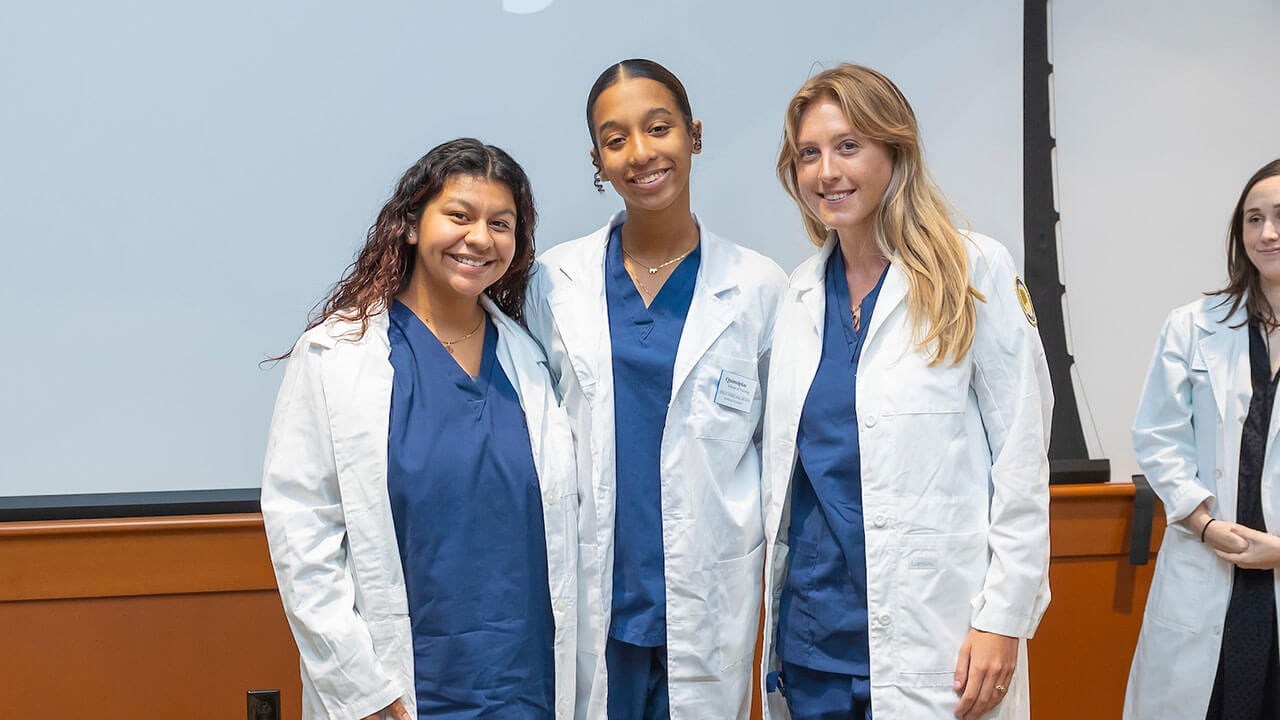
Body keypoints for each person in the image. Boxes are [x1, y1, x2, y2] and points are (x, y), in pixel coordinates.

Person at [759, 64, 1053, 720]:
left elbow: (1022, 460)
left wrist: (1004, 619)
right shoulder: (799, 297)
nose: (826, 171)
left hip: (940, 641)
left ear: (896, 150)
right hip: (815, 647)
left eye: (848, 146)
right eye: (808, 154)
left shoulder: (974, 271)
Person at [260, 138, 577, 719]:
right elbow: (303, 540)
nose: (479, 238)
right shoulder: (336, 357)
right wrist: (363, 693)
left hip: (527, 686)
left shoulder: (532, 362)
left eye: (500, 223)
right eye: (459, 215)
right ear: (410, 224)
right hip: (400, 694)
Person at [524, 58, 787, 719]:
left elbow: (780, 456)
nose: (641, 154)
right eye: (616, 140)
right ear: (597, 159)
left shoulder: (758, 287)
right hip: (597, 597)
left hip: (706, 594)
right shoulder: (554, 282)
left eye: (659, 128)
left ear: (694, 135)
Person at [1125, 159, 1280, 720]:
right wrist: (1205, 524)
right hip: (1213, 565)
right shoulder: (1194, 326)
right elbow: (1159, 438)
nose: (1266, 233)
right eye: (1253, 219)